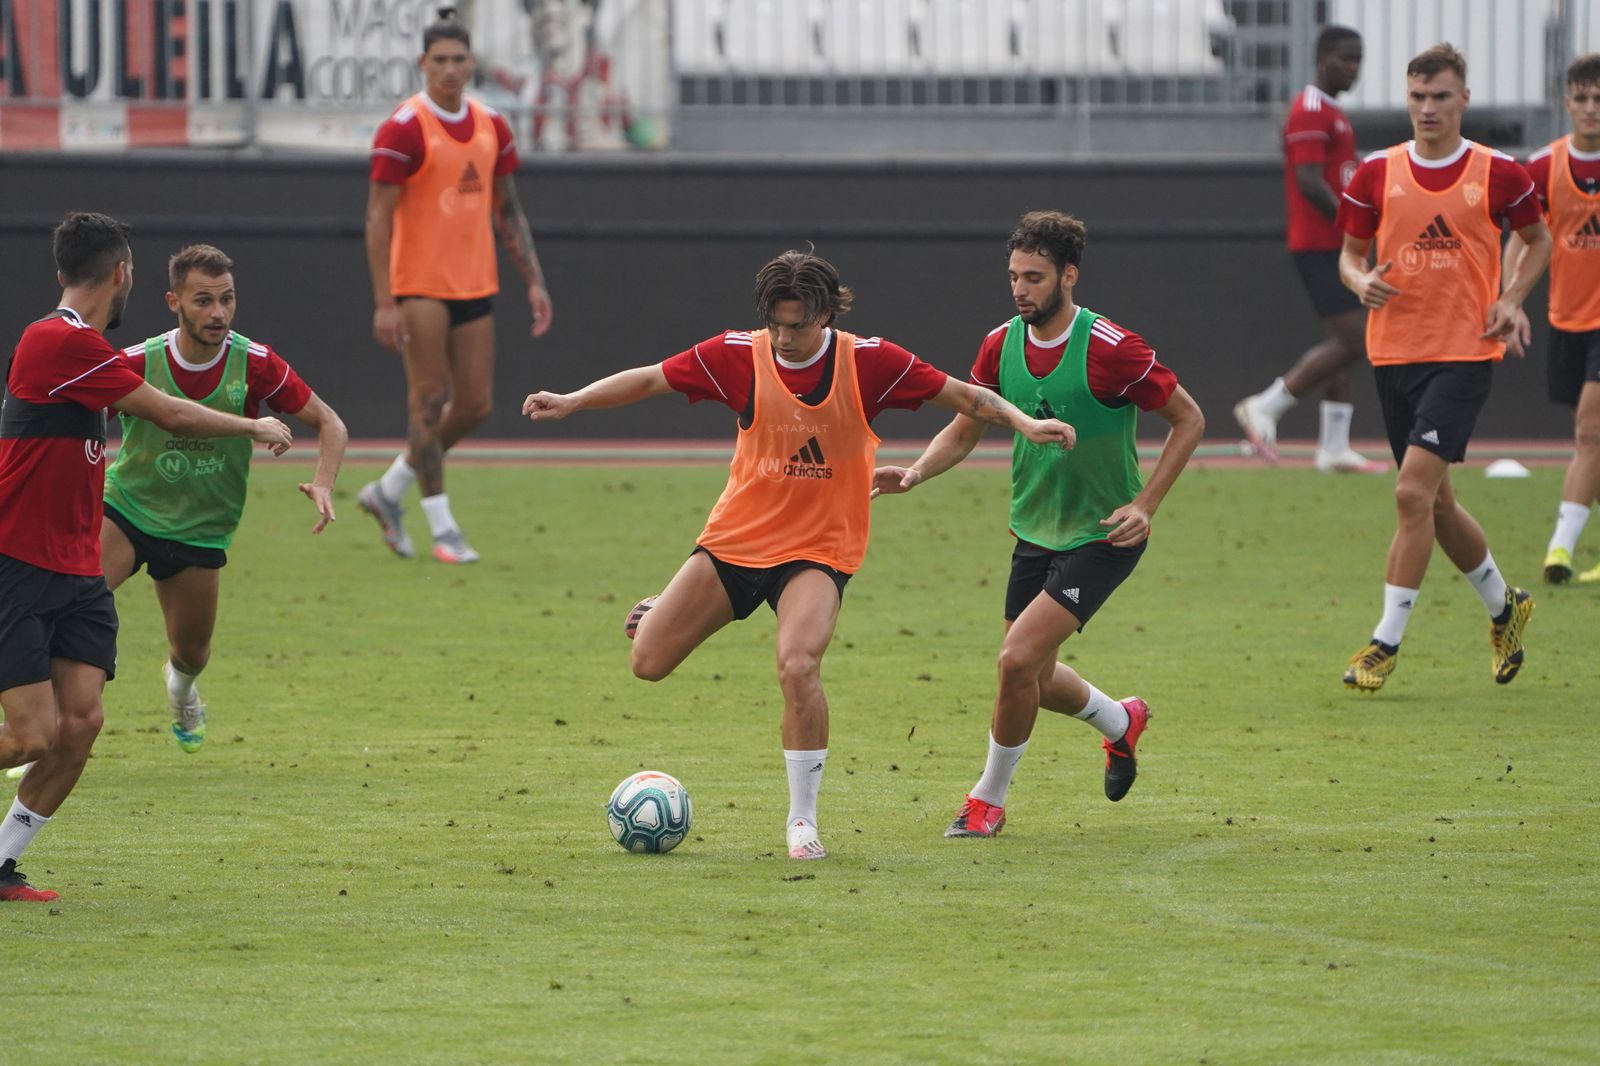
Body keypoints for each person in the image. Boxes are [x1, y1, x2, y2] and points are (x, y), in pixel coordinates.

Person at [521, 250, 1075, 859]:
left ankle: (802, 822)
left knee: (798, 666)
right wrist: (572, 399)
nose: (785, 338)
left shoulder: (869, 363)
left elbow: (968, 398)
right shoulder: (736, 353)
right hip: (736, 542)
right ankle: (668, 604)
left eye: (798, 325)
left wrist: (1025, 423)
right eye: (777, 324)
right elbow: (651, 377)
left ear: (827, 314)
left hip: (816, 552)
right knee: (647, 662)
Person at [873, 211, 1204, 838]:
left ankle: (987, 801)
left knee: (1015, 661)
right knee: (1034, 675)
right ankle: (1119, 720)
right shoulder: (1000, 344)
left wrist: (1146, 505)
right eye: (1013, 277)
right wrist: (915, 473)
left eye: (1034, 277)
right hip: (1033, 528)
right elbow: (965, 426)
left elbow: (1190, 419)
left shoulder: (1113, 348)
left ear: (1068, 276)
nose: (1020, 289)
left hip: (1104, 535)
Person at [0, 212, 292, 902]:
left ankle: (3, 861)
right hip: (21, 565)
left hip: (75, 570)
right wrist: (254, 424)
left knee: (82, 724)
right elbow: (173, 413)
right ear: (124, 274)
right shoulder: (56, 340)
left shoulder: (83, 348)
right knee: (33, 734)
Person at [1336, 43, 1551, 692]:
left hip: (1465, 352)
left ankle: (1384, 643)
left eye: (1440, 97)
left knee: (1409, 492)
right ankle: (1504, 607)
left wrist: (1510, 299)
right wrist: (1359, 280)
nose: (1427, 108)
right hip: (1394, 351)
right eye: (1417, 97)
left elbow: (1537, 241)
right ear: (1407, 99)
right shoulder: (1375, 174)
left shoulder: (1501, 174)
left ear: (1463, 98)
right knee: (1435, 506)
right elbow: (1348, 256)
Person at [360, 6, 554, 565]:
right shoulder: (404, 127)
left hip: (474, 284)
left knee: (474, 405)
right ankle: (443, 528)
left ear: (472, 63)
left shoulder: (492, 124)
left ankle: (387, 491)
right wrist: (383, 300)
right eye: (439, 59)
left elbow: (509, 210)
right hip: (419, 286)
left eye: (459, 59)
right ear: (423, 63)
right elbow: (377, 219)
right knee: (429, 401)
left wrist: (535, 283)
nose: (450, 68)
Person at [1234, 24, 1383, 474]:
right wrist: (1351, 223)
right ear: (1322, 58)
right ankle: (1267, 405)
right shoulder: (1311, 108)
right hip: (1321, 243)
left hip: (1333, 243)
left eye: (1359, 59)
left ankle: (1334, 447)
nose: (1353, 68)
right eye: (1345, 58)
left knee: (1343, 341)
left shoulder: (1332, 111)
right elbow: (1308, 182)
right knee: (1356, 340)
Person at [1508, 55, 1600, 584]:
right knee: (1590, 438)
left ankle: (1558, 552)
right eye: (1582, 98)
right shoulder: (1543, 166)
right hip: (1567, 318)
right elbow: (1519, 237)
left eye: (1598, 99)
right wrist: (1509, 301)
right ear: (1567, 102)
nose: (1590, 109)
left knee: (1589, 432)